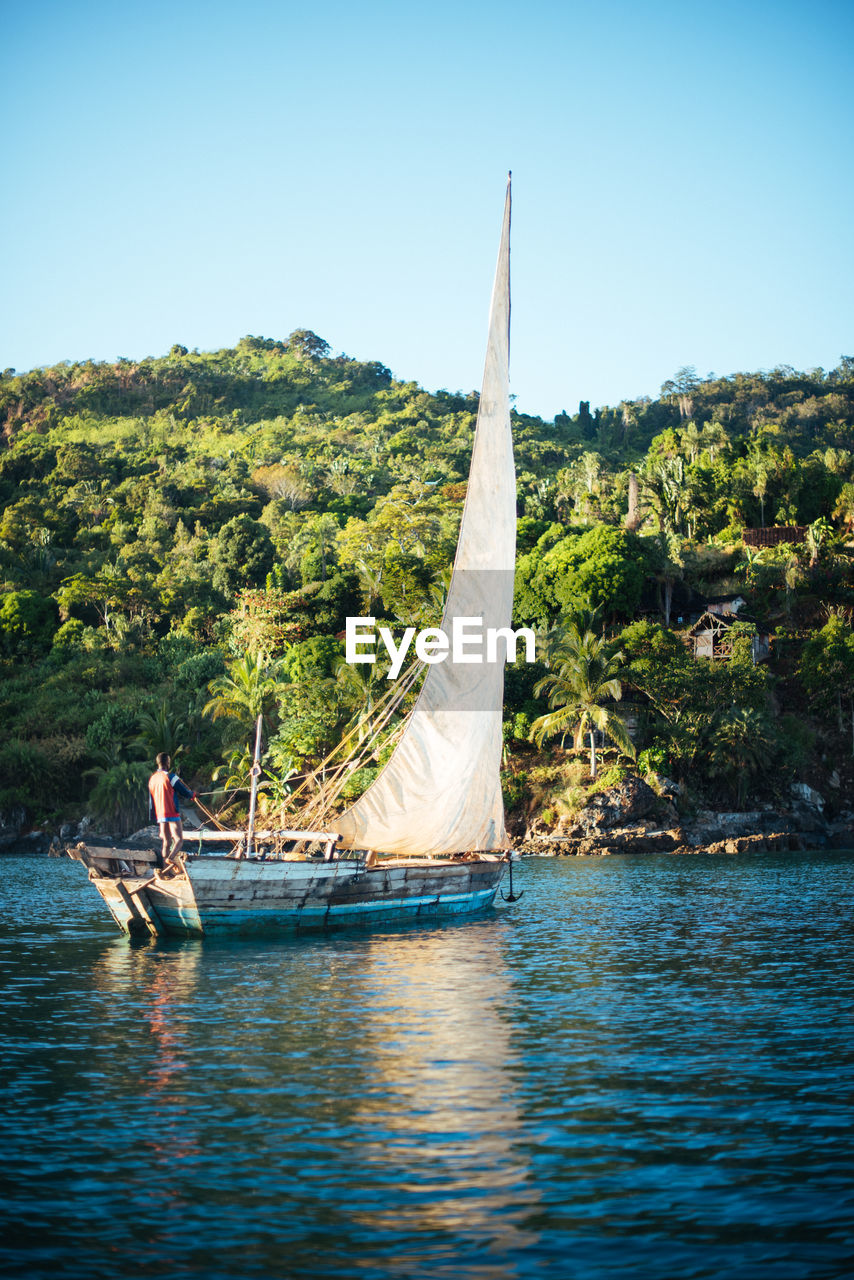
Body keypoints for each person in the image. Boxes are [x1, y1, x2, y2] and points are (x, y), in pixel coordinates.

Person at [148, 753, 196, 874]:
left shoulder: (152, 778)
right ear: (167, 763)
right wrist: (193, 795)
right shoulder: (170, 776)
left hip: (160, 814)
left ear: (158, 763)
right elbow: (183, 791)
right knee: (179, 840)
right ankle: (170, 858)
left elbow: (151, 799)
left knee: (166, 842)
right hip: (172, 812)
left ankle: (165, 870)